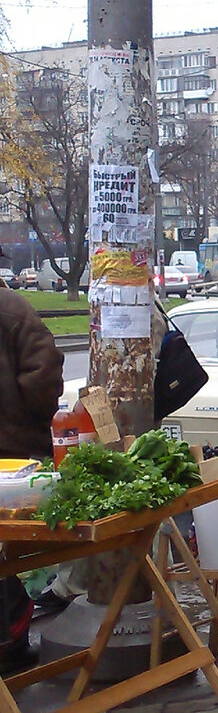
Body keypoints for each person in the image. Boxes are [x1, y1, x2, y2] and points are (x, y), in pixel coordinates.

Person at [0, 286, 64, 670]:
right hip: (13, 451)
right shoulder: (11, 307)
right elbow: (43, 376)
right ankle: (10, 638)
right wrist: (37, 416)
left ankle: (10, 636)